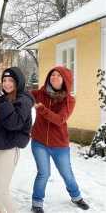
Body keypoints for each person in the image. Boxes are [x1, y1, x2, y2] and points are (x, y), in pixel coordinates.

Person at [30, 66, 89, 213]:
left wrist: (42, 109)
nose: (54, 77)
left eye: (58, 75)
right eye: (52, 75)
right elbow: (24, 95)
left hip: (59, 145)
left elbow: (60, 120)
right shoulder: (40, 93)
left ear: (65, 80)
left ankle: (76, 197)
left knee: (66, 173)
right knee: (43, 173)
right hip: (39, 142)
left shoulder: (69, 100)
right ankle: (37, 203)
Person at [0, 67, 34, 213]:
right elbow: (0, 113)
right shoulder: (4, 97)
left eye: (10, 80)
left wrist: (0, 100)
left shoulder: (23, 101)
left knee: (1, 188)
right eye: (4, 80)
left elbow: (14, 123)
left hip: (10, 148)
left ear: (18, 82)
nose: (6, 84)